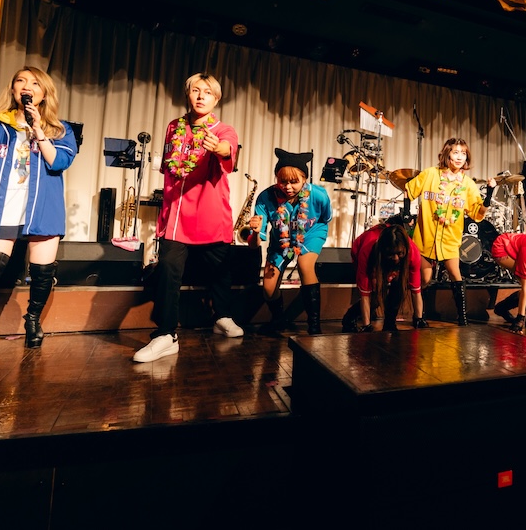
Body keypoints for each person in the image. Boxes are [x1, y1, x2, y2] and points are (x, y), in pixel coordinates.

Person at [0, 66, 77, 370]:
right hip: (3, 206)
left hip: (42, 206)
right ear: (12, 89)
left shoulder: (61, 130)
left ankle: (32, 320)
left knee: (42, 272)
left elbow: (58, 162)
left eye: (35, 83)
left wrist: (38, 130)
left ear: (44, 93)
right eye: (20, 81)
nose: (27, 86)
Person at [133, 73, 241, 363]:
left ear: (216, 99)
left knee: (220, 268)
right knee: (168, 268)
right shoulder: (173, 127)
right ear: (188, 94)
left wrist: (218, 147)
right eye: (196, 90)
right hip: (176, 214)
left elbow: (228, 149)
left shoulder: (223, 129)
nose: (201, 96)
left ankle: (222, 316)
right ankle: (166, 335)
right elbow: (169, 167)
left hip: (209, 213)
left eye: (208, 92)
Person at [404, 138, 495, 326]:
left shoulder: (467, 184)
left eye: (463, 153)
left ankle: (462, 318)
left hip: (449, 239)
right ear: (447, 154)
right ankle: (419, 315)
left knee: (456, 275)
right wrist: (406, 213)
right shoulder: (430, 174)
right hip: (426, 237)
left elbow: (477, 213)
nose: (460, 157)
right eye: (455, 152)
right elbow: (408, 190)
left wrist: (489, 195)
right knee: (425, 279)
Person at [248, 148, 332, 335]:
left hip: (310, 233)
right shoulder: (265, 198)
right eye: (282, 181)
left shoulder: (319, 195)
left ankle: (314, 326)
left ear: (304, 179)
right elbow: (254, 245)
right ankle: (279, 320)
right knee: (268, 289)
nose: (287, 187)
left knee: (304, 265)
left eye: (294, 182)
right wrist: (255, 232)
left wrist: (311, 234)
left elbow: (325, 218)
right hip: (280, 241)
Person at [342, 219, 423, 332]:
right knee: (376, 295)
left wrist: (419, 319)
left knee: (399, 286)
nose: (395, 258)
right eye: (391, 254)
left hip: (387, 257)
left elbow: (416, 291)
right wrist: (367, 326)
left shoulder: (413, 253)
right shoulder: (367, 252)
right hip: (369, 256)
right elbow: (365, 294)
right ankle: (349, 318)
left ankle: (390, 323)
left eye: (399, 253)